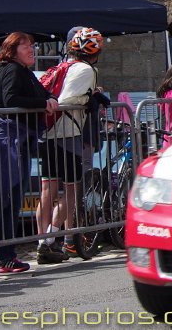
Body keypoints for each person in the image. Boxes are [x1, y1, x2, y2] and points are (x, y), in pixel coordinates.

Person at [0, 32, 59, 273]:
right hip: (8, 139)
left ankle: (6, 255)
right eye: (25, 45)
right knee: (6, 199)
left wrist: (48, 97)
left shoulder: (22, 71)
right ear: (12, 49)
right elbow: (10, 99)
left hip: (16, 139)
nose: (31, 49)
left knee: (13, 198)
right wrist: (43, 103)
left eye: (32, 45)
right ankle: (3, 257)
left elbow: (40, 93)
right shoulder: (12, 70)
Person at [36, 27, 103, 264]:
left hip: (47, 133)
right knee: (71, 190)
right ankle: (52, 237)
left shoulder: (63, 66)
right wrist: (91, 98)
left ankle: (43, 240)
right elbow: (68, 100)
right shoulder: (86, 69)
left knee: (48, 190)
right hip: (68, 133)